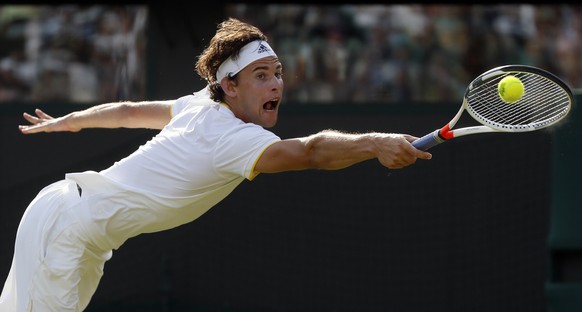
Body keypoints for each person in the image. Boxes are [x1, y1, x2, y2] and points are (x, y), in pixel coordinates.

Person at [0, 17, 432, 311]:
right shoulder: (229, 136)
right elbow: (312, 152)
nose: (276, 82)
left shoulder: (199, 106)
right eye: (260, 75)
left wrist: (70, 122)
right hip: (66, 228)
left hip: (77, 228)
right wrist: (374, 142)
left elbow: (130, 111)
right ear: (229, 85)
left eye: (277, 71)